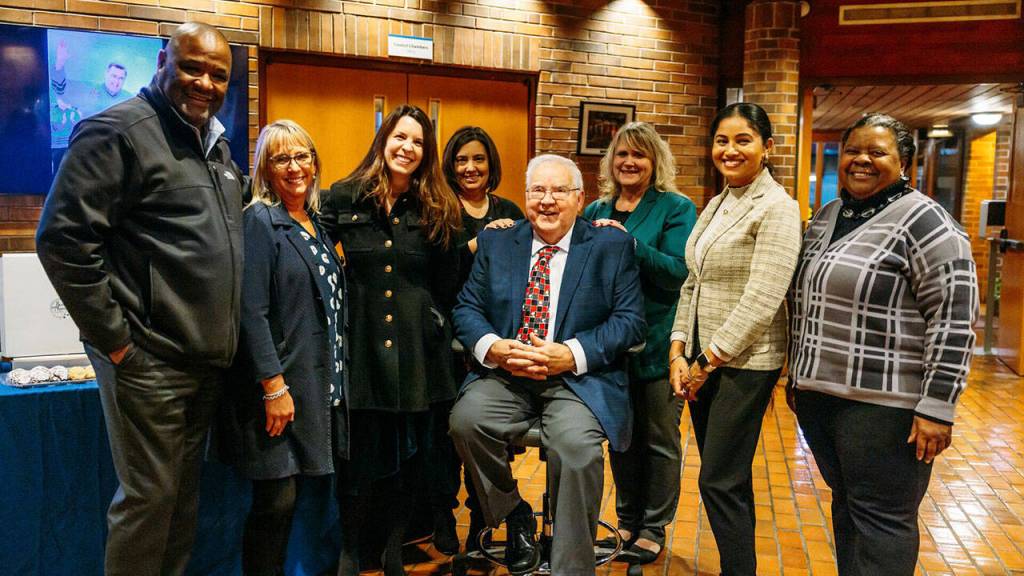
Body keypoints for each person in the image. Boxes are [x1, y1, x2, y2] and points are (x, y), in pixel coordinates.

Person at [35, 22, 241, 576]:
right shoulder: (117, 131)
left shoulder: (216, 149)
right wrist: (118, 343)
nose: (204, 82)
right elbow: (61, 239)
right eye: (192, 67)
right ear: (161, 61)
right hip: (147, 361)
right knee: (149, 505)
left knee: (178, 506)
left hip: (200, 365)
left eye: (218, 74)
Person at [787, 113, 978, 576]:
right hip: (820, 399)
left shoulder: (928, 222)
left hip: (884, 408)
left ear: (904, 161)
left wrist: (937, 407)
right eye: (853, 150)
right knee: (849, 508)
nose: (862, 160)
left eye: (877, 152)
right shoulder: (829, 216)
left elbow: (954, 320)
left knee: (883, 521)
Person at [449, 154, 645, 576]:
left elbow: (630, 322)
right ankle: (513, 512)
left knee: (574, 449)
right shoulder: (499, 242)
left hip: (578, 380)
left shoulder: (611, 246)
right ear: (525, 197)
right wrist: (496, 347)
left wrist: (570, 353)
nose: (548, 200)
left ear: (580, 199)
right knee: (466, 421)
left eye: (560, 190)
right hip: (508, 376)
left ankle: (571, 567)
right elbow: (466, 308)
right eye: (538, 190)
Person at [319, 104, 462, 576]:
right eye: (400, 137)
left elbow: (450, 281)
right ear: (383, 140)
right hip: (361, 346)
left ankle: (394, 548)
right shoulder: (343, 196)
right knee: (358, 456)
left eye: (418, 142)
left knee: (410, 455)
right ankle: (351, 548)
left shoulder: (437, 206)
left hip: (419, 351)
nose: (408, 148)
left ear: (427, 153)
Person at [668, 102, 801, 576]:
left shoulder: (778, 208)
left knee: (719, 480)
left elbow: (763, 298)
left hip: (744, 363)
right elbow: (692, 282)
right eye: (722, 140)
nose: (730, 150)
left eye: (743, 140)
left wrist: (704, 362)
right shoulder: (719, 201)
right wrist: (678, 349)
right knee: (728, 479)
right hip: (703, 357)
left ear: (767, 147)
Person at [216, 120, 347, 576]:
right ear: (265, 170)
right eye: (281, 158)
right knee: (276, 501)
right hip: (276, 388)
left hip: (313, 384)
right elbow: (251, 311)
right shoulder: (260, 220)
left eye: (302, 156)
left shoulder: (315, 223)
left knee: (298, 501)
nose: (294, 167)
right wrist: (273, 386)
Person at [582, 121, 696, 564]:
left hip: (658, 342)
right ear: (611, 161)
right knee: (620, 437)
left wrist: (628, 243)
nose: (629, 162)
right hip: (606, 345)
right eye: (622, 154)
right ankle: (626, 518)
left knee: (659, 437)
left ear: (655, 162)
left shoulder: (675, 208)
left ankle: (653, 525)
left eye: (640, 155)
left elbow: (677, 273)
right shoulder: (594, 208)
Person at [430, 126, 524, 554]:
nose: (470, 167)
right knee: (445, 438)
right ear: (450, 165)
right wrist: (479, 243)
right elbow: (438, 278)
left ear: (491, 165)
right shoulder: (438, 207)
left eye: (478, 159)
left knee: (487, 437)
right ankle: (442, 518)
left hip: (497, 341)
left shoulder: (509, 209)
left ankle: (484, 520)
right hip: (446, 339)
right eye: (462, 160)